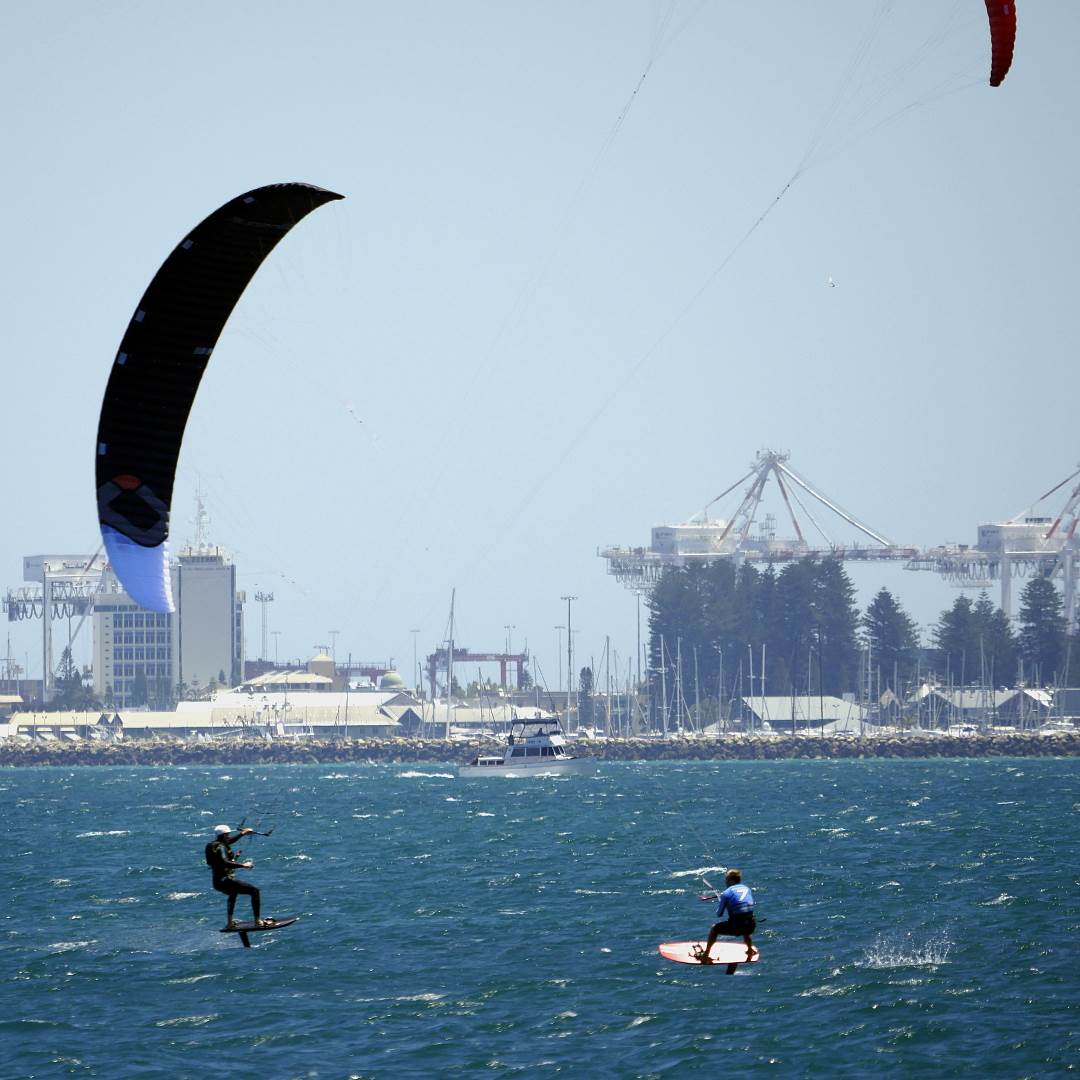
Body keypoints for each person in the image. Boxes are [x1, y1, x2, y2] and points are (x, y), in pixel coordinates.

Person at [205, 824, 271, 929]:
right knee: (254, 891)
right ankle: (258, 921)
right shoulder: (221, 847)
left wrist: (243, 833)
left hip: (217, 882)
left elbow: (229, 842)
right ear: (224, 835)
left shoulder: (213, 845)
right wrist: (243, 865)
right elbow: (224, 861)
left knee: (233, 892)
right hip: (225, 880)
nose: (229, 836)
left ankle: (230, 923)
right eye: (228, 834)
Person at [694, 868, 755, 964]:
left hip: (737, 926)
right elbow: (742, 904)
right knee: (745, 926)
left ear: (731, 880)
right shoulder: (747, 889)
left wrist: (723, 901)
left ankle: (706, 955)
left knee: (714, 929)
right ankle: (750, 950)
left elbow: (719, 914)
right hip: (751, 925)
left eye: (726, 879)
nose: (725, 881)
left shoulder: (726, 893)